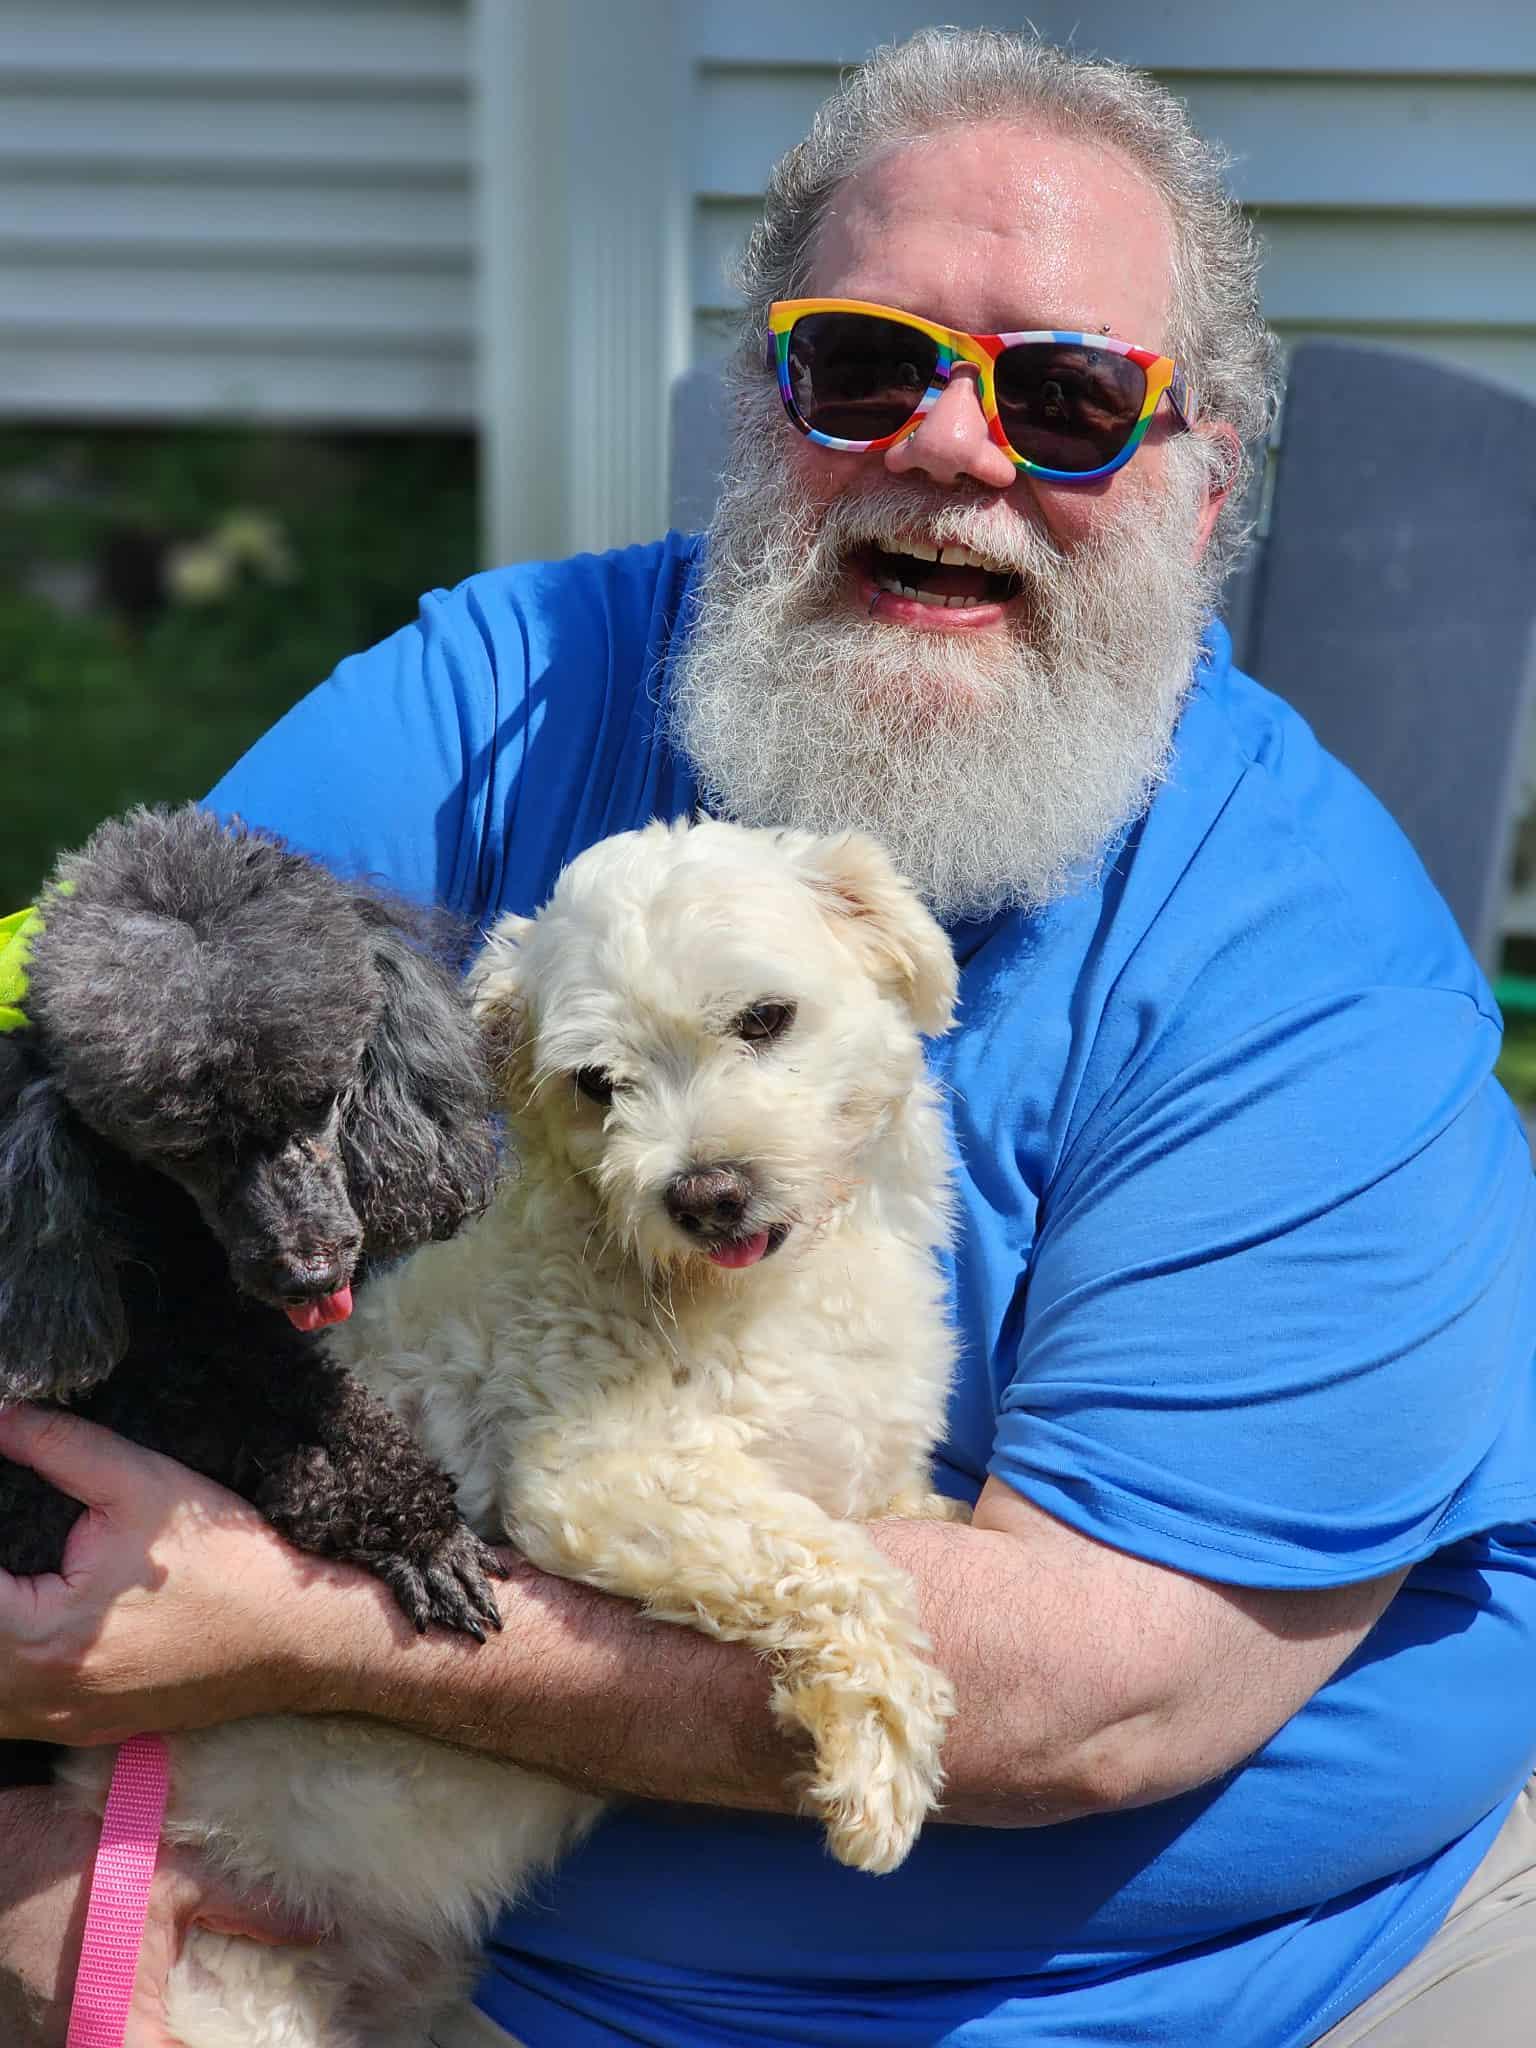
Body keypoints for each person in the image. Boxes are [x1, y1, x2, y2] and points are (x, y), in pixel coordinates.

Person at [3, 26, 1535, 2048]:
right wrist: (42, 1852)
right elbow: (71, 1091)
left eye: (1069, 400)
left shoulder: (1306, 961)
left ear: (1206, 478)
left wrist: (296, 1635)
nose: (953, 451)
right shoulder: (493, 703)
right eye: (865, 365)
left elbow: (1105, 1690)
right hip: (388, 1949)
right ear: (758, 407)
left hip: (1231, 1999)